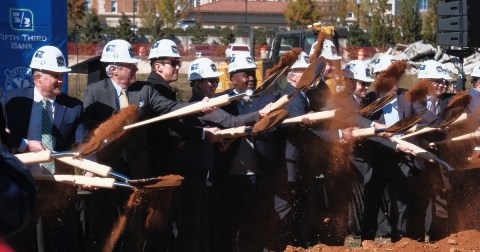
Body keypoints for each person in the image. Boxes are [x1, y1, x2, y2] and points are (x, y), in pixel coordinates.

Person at [81, 39, 215, 251]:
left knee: (134, 226)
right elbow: (86, 131)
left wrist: (200, 106)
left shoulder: (144, 91)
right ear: (113, 70)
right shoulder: (95, 92)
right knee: (102, 225)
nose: (136, 67)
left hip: (137, 171)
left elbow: (171, 108)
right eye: (130, 65)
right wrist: (90, 165)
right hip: (105, 171)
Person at [172, 57, 270, 252]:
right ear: (197, 83)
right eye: (209, 80)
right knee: (199, 229)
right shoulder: (200, 106)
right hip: (198, 174)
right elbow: (231, 122)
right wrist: (260, 114)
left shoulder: (204, 104)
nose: (214, 84)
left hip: (202, 173)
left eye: (216, 80)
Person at [2, 45, 84, 251]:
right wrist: (24, 144)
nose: (61, 81)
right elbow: (2, 136)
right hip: (23, 183)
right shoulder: (13, 101)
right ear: (38, 78)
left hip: (57, 186)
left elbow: (84, 142)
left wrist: (89, 167)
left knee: (59, 242)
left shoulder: (74, 107)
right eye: (55, 76)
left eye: (62, 76)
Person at [214, 55, 278, 251]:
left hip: (257, 176)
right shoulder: (223, 101)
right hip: (228, 176)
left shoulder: (268, 100)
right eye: (246, 74)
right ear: (233, 78)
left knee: (254, 226)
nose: (251, 78)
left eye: (253, 73)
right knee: (228, 227)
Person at [406, 60, 454, 242]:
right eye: (437, 80)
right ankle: (415, 239)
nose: (442, 85)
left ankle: (438, 237)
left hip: (441, 158)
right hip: (419, 157)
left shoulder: (447, 101)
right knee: (420, 198)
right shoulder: (415, 99)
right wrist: (439, 124)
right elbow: (421, 115)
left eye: (445, 81)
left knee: (442, 195)